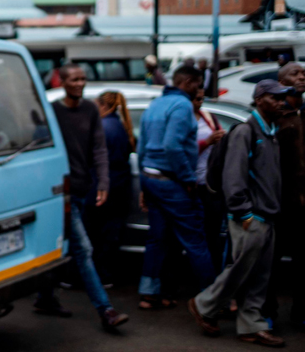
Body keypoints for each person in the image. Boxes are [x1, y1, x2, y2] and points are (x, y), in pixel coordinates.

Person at [189, 79, 292, 347]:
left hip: (267, 216)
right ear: (259, 100)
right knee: (240, 271)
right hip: (251, 217)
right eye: (274, 98)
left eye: (282, 98)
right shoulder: (246, 132)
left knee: (259, 276)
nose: (281, 102)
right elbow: (233, 178)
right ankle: (204, 304)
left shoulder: (270, 132)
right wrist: (244, 213)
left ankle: (251, 326)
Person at [34, 64, 130, 331]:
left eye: (83, 79)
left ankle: (44, 298)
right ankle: (106, 310)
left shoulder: (90, 110)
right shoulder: (53, 112)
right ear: (62, 82)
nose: (80, 83)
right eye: (74, 79)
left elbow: (99, 149)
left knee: (61, 247)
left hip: (80, 191)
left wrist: (104, 181)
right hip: (58, 193)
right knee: (84, 250)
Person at [138, 65, 216, 308]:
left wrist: (143, 183)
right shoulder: (182, 105)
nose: (199, 90)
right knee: (196, 241)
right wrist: (188, 179)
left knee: (157, 239)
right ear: (189, 82)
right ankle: (213, 300)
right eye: (198, 84)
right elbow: (172, 146)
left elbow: (141, 146)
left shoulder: (155, 104)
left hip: (151, 178)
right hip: (172, 181)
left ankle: (149, 293)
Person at [262, 62, 305, 328]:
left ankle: (300, 312)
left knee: (302, 262)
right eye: (295, 74)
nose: (301, 77)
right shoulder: (276, 118)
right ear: (282, 82)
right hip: (278, 203)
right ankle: (268, 312)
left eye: (303, 74)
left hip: (303, 205)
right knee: (271, 262)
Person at [88, 91, 135, 287]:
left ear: (104, 106)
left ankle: (99, 274)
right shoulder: (119, 126)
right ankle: (106, 274)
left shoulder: (104, 128)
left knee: (98, 231)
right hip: (120, 184)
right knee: (111, 231)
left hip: (104, 186)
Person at [192, 88, 227, 272]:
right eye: (196, 99)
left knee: (212, 233)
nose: (199, 103)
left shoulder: (208, 116)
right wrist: (206, 142)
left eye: (202, 99)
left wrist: (220, 138)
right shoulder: (182, 119)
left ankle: (213, 275)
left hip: (210, 184)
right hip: (191, 185)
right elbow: (180, 151)